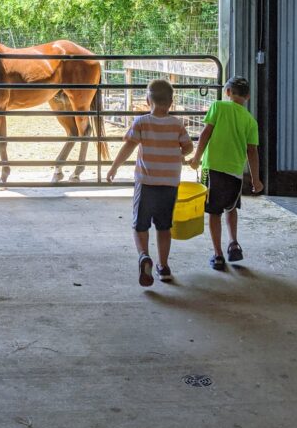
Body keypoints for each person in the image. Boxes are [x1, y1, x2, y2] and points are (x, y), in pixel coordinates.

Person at [106, 78, 193, 287]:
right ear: (171, 102)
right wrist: (180, 154)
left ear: (147, 100)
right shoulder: (177, 124)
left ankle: (144, 256)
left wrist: (114, 166)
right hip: (169, 184)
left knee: (140, 226)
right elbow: (189, 148)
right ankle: (163, 267)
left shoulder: (141, 122)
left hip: (146, 183)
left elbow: (128, 146)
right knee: (164, 227)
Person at [188, 75, 264, 271]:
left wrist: (196, 158)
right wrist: (256, 179)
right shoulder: (250, 120)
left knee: (214, 212)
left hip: (213, 168)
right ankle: (234, 242)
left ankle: (218, 254)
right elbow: (252, 151)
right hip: (235, 172)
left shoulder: (218, 107)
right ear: (247, 96)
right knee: (231, 208)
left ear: (228, 92)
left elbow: (206, 133)